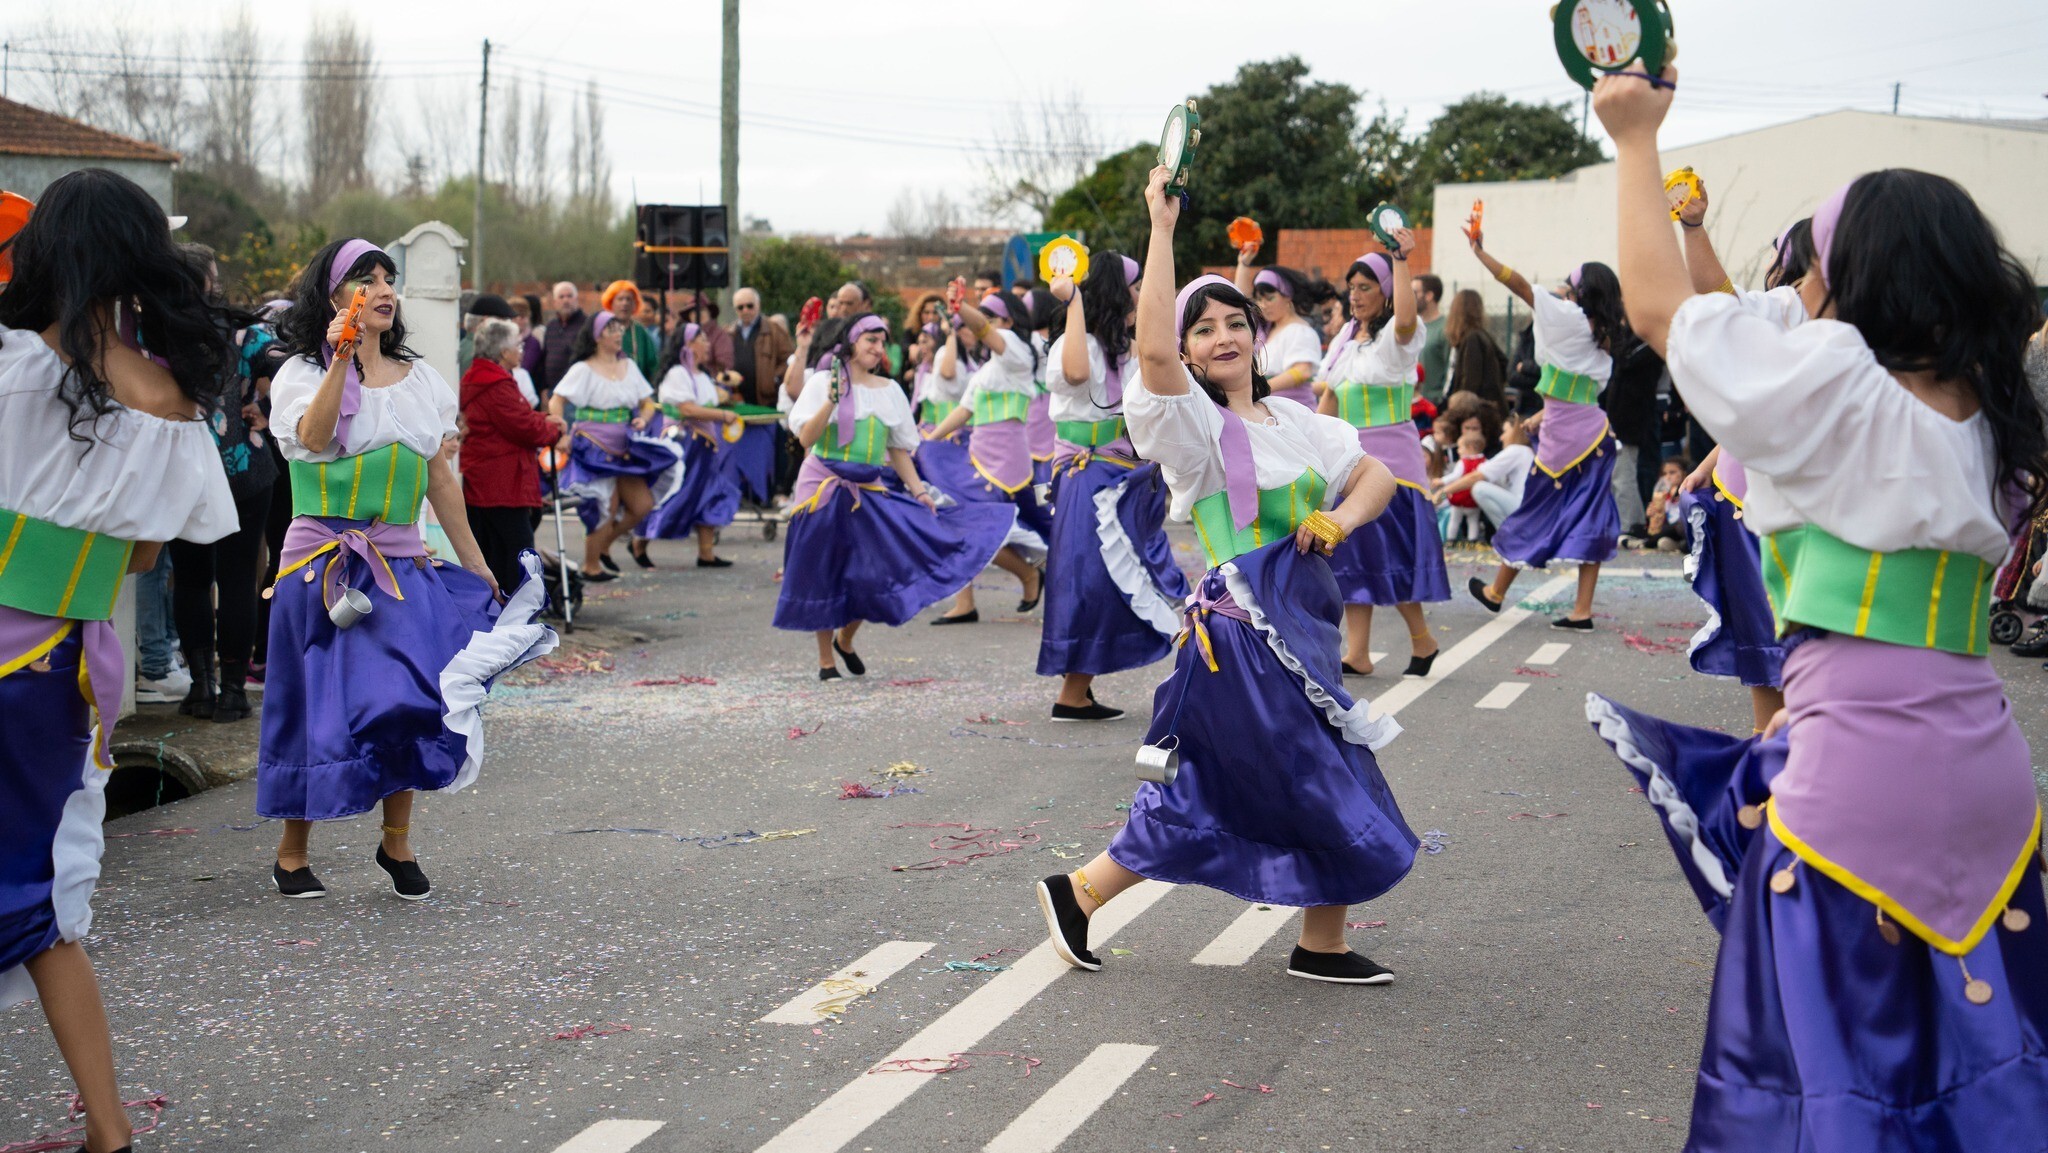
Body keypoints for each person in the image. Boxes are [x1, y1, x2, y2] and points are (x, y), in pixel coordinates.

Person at [1588, 64, 2048, 1150]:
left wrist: (1630, 140)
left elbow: (1659, 308)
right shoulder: (1992, 413)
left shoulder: (1834, 377)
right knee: (1976, 1063)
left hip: (1855, 778)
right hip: (1983, 767)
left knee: (1820, 1077)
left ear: (1855, 277)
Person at [1035, 164, 1415, 987]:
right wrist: (1162, 227)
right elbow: (1150, 351)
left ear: (1257, 333)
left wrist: (1342, 519)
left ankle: (1098, 893)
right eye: (1200, 328)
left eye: (1232, 321)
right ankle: (1092, 891)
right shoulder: (1195, 427)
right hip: (1240, 634)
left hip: (1302, 631)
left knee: (1276, 777)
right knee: (1323, 771)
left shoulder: (1302, 423)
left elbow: (1377, 477)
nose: (1221, 336)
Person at [0, 168, 246, 1153]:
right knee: (45, 899)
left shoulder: (7, 362)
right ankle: (109, 1130)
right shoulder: (171, 401)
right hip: (65, 668)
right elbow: (148, 553)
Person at [260, 237, 557, 901]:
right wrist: (340, 357)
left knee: (413, 695)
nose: (384, 289)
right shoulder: (302, 373)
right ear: (335, 298)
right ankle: (292, 850)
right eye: (366, 279)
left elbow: (440, 480)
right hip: (323, 559)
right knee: (313, 705)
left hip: (398, 557)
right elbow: (311, 438)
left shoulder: (421, 379)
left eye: (388, 277)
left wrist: (476, 562)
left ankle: (396, 839)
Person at [773, 313, 1019, 678]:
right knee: (821, 570)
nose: (877, 348)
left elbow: (899, 449)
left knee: (876, 570)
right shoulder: (823, 381)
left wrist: (919, 491)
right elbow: (805, 440)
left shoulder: (888, 390)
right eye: (870, 340)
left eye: (881, 341)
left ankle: (847, 639)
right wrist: (830, 401)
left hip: (869, 487)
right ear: (851, 342)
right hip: (822, 486)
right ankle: (826, 659)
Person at [1671, 191, 1805, 732]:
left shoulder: (1795, 305)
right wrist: (1710, 460)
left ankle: (1789, 755)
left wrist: (1693, 229)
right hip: (1747, 490)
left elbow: (1716, 300)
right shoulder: (1804, 310)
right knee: (1763, 632)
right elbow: (1754, 406)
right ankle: (1768, 747)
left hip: (1778, 504)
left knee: (1781, 631)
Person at [1038, 253, 1190, 721]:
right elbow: (1079, 374)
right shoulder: (1073, 341)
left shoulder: (1128, 348)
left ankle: (1075, 692)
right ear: (1115, 291)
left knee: (1124, 577)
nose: (1142, 292)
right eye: (1137, 285)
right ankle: (1074, 690)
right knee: (1092, 580)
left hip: (1127, 477)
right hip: (1086, 475)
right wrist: (1075, 300)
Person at [1462, 218, 1626, 631]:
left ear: (1580, 292)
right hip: (1595, 435)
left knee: (1533, 509)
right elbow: (1576, 395)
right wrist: (1538, 417)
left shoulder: (1566, 315)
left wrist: (1481, 252)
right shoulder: (1603, 330)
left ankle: (1497, 591)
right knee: (1592, 516)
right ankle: (1581, 610)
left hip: (1564, 441)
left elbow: (1516, 283)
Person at [1316, 246, 1447, 678]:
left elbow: (1408, 320)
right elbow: (1330, 398)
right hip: (1350, 465)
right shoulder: (1344, 342)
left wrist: (1400, 258)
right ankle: (1359, 653)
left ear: (1386, 292)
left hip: (1394, 466)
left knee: (1390, 555)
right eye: (1351, 288)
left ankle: (1422, 640)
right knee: (1353, 557)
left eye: (1365, 287)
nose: (1354, 296)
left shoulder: (1396, 340)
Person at [166, 243, 277, 724]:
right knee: (238, 579)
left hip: (182, 470)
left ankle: (199, 687)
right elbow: (285, 364)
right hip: (244, 469)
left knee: (190, 579)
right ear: (211, 280)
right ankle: (233, 690)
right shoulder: (244, 331)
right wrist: (265, 409)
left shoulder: (160, 332)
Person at [922, 289, 1052, 623]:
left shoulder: (1018, 352)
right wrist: (927, 442)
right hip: (978, 453)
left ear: (1008, 321)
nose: (983, 326)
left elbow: (981, 328)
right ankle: (972, 599)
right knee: (962, 522)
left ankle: (1032, 573)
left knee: (982, 525)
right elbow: (964, 411)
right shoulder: (987, 368)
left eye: (991, 318)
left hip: (1007, 458)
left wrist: (961, 307)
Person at [548, 311, 681, 581]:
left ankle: (603, 547)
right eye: (612, 330)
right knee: (604, 506)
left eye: (620, 329)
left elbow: (646, 402)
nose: (619, 334)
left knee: (642, 504)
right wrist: (560, 431)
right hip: (593, 445)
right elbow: (557, 400)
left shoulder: (628, 366)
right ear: (597, 337)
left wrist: (643, 420)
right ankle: (591, 564)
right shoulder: (583, 369)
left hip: (625, 445)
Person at [460, 317, 566, 592]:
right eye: (517, 345)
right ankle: (516, 613)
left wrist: (544, 420)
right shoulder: (495, 383)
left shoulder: (485, 378)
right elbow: (524, 428)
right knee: (516, 554)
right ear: (503, 351)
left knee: (496, 550)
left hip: (491, 480)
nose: (521, 350)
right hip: (501, 483)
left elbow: (519, 418)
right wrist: (552, 429)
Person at [636, 322, 745, 566]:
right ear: (688, 344)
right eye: (702, 339)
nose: (707, 343)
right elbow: (686, 409)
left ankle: (706, 553)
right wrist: (722, 416)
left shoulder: (702, 375)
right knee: (676, 494)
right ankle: (640, 541)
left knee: (709, 493)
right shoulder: (677, 374)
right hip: (683, 444)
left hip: (705, 445)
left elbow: (711, 401)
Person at [1231, 247, 1333, 409]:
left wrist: (1259, 389)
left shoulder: (1301, 331)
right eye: (1260, 299)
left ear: (1288, 295)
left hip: (1295, 415)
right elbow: (1238, 302)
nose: (1264, 305)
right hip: (1269, 411)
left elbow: (1302, 371)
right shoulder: (1266, 330)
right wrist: (1243, 263)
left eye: (1270, 298)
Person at [1438, 413, 1533, 532]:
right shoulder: (1525, 451)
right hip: (1525, 508)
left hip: (1521, 508)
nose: (1501, 437)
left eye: (1505, 432)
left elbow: (1476, 477)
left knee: (1480, 488)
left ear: (1515, 432)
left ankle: (1507, 535)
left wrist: (1441, 493)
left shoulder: (1517, 450)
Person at [1442, 288, 1507, 410]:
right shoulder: (1480, 335)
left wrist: (1458, 408)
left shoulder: (1472, 339)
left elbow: (1470, 382)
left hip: (1475, 412)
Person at [729, 286, 792, 407]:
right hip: (737, 399)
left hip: (767, 400)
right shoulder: (729, 333)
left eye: (750, 306)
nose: (745, 310)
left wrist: (773, 378)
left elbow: (789, 359)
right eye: (740, 307)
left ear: (758, 305)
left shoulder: (775, 330)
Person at [599, 281, 661, 382]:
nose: (625, 303)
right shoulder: (602, 330)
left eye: (629, 299)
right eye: (620, 299)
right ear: (611, 302)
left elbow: (653, 367)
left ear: (634, 304)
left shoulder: (641, 332)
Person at [1440, 426, 1490, 542]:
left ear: (1470, 447)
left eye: (1460, 447)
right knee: (1473, 521)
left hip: (1459, 499)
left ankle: (1450, 539)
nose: (1458, 451)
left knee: (1454, 520)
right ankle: (1472, 540)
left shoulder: (1463, 462)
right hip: (1473, 500)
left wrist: (1441, 480)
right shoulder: (1485, 462)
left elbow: (1455, 476)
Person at [539, 280, 586, 396]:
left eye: (570, 296)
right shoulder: (551, 326)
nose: (566, 300)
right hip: (553, 391)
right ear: (555, 302)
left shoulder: (586, 325)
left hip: (576, 392)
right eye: (561, 297)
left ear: (577, 300)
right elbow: (545, 357)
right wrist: (544, 388)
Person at [1413, 274, 1450, 403]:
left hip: (1432, 404)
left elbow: (1450, 368)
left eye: (1415, 293)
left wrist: (1441, 399)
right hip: (1410, 404)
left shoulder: (1446, 328)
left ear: (1429, 296)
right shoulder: (1412, 327)